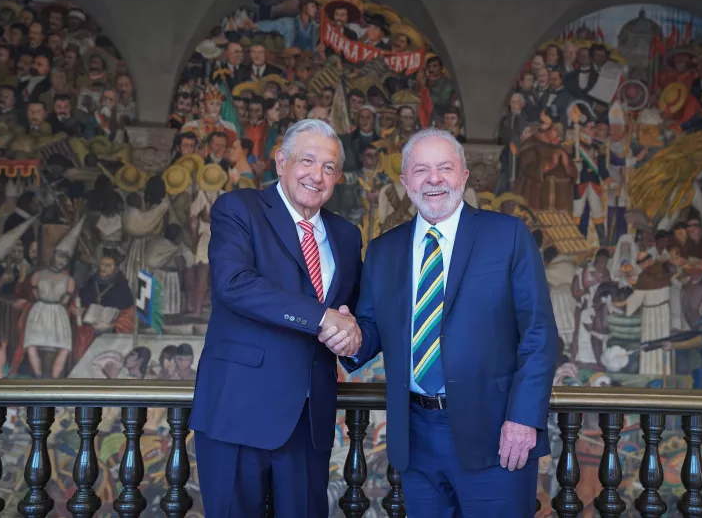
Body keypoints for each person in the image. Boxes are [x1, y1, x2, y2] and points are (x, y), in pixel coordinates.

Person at [322, 128, 557, 517]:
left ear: (464, 175)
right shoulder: (384, 250)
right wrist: (346, 336)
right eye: (421, 170)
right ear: (404, 182)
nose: (433, 179)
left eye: (445, 168)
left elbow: (539, 334)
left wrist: (523, 418)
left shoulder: (507, 236)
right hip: (415, 438)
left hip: (497, 434)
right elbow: (370, 329)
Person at [190, 119, 363, 517]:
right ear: (281, 161)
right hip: (238, 410)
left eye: (329, 167)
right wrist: (322, 319)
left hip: (309, 420)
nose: (317, 176)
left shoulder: (346, 234)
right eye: (307, 161)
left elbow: (353, 314)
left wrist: (356, 339)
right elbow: (234, 283)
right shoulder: (240, 208)